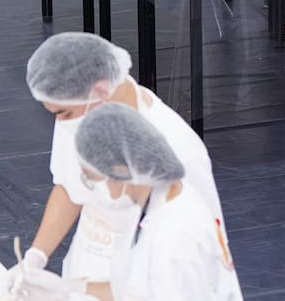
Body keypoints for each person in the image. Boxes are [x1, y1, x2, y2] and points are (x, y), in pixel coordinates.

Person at [8, 33, 222, 291]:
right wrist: (36, 257)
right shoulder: (80, 114)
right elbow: (70, 187)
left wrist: (77, 290)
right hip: (87, 271)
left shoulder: (178, 150)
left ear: (99, 90)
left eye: (64, 113)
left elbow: (192, 265)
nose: (62, 123)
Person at [70, 103, 242, 300]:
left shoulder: (172, 240)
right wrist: (70, 288)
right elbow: (132, 290)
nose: (97, 189)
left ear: (122, 171)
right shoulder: (153, 199)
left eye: (94, 179)